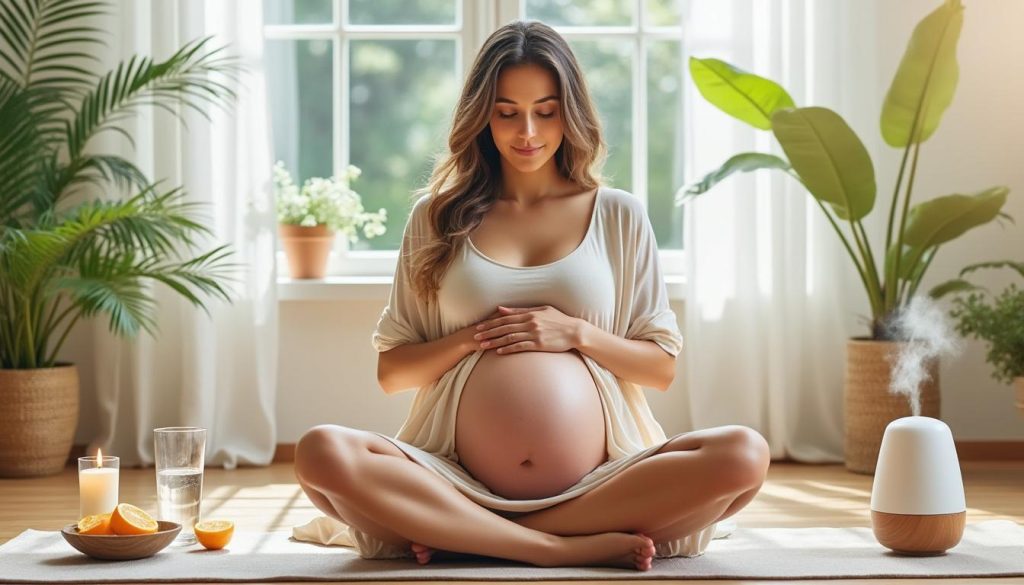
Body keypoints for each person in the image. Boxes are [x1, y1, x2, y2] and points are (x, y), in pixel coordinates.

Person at [294, 20, 769, 572]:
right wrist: (473, 338)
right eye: (506, 111)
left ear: (570, 112)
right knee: (321, 451)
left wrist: (575, 334)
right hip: (453, 480)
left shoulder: (616, 214)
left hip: (600, 484)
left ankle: (470, 539)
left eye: (545, 110)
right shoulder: (437, 217)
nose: (527, 131)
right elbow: (393, 372)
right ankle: (549, 547)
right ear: (481, 115)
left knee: (743, 455)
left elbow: (659, 368)